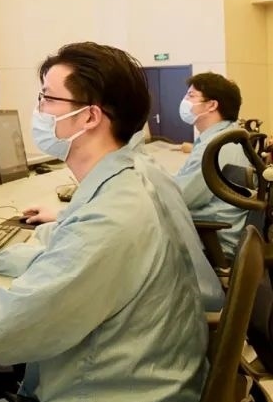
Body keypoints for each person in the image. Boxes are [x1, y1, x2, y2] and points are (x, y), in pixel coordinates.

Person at [0, 42, 207, 402]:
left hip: (106, 401)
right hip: (142, 382)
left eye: (47, 98)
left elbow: (9, 327)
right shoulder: (124, 185)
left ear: (90, 117)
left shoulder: (112, 214)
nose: (38, 110)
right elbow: (69, 258)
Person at [24, 127, 225, 312]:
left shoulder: (126, 183)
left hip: (173, 305)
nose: (42, 112)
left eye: (48, 102)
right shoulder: (138, 167)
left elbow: (78, 251)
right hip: (182, 292)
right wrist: (63, 217)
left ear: (92, 117)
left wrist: (14, 252)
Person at [174, 72, 249, 258]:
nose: (184, 101)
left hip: (212, 240)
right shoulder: (229, 135)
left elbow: (179, 199)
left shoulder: (214, 147)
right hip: (224, 231)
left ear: (212, 105)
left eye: (191, 96)